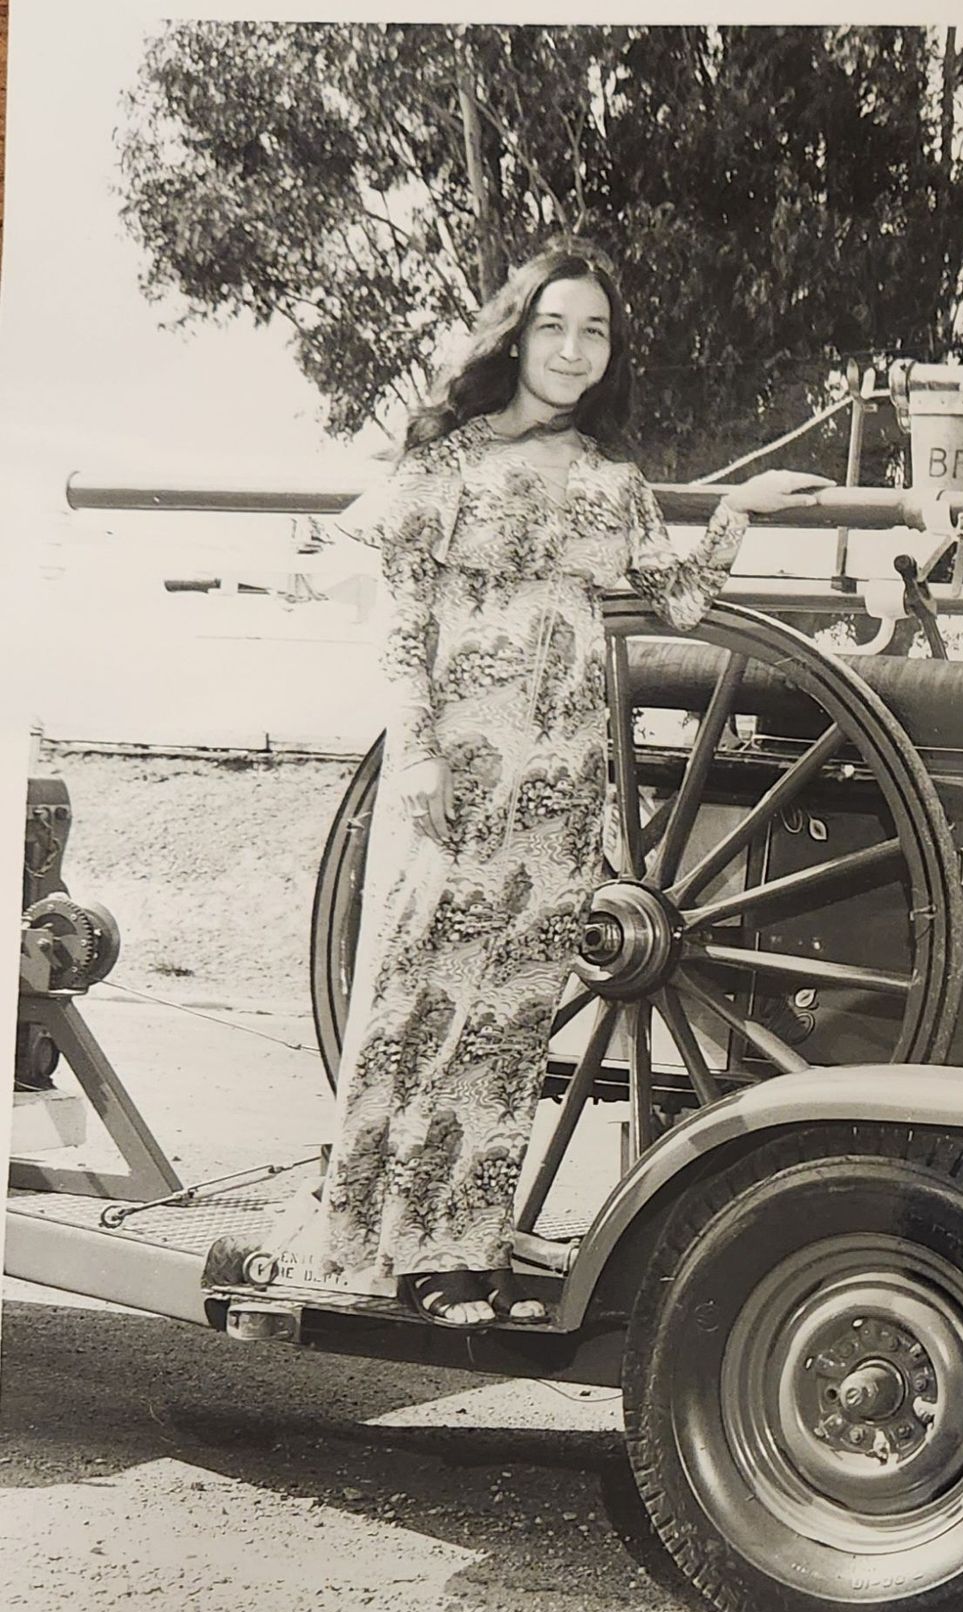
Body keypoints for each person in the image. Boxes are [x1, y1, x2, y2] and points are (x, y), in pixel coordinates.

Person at [215, 237, 826, 1326]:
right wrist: (418, 756)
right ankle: (374, 1242)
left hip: (562, 781)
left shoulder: (612, 480)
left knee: (506, 1017)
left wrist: (743, 506)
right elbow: (405, 619)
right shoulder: (445, 463)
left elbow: (682, 600)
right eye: (554, 326)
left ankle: (461, 1254)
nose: (574, 349)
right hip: (456, 772)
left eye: (595, 331)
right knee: (419, 997)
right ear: (516, 335)